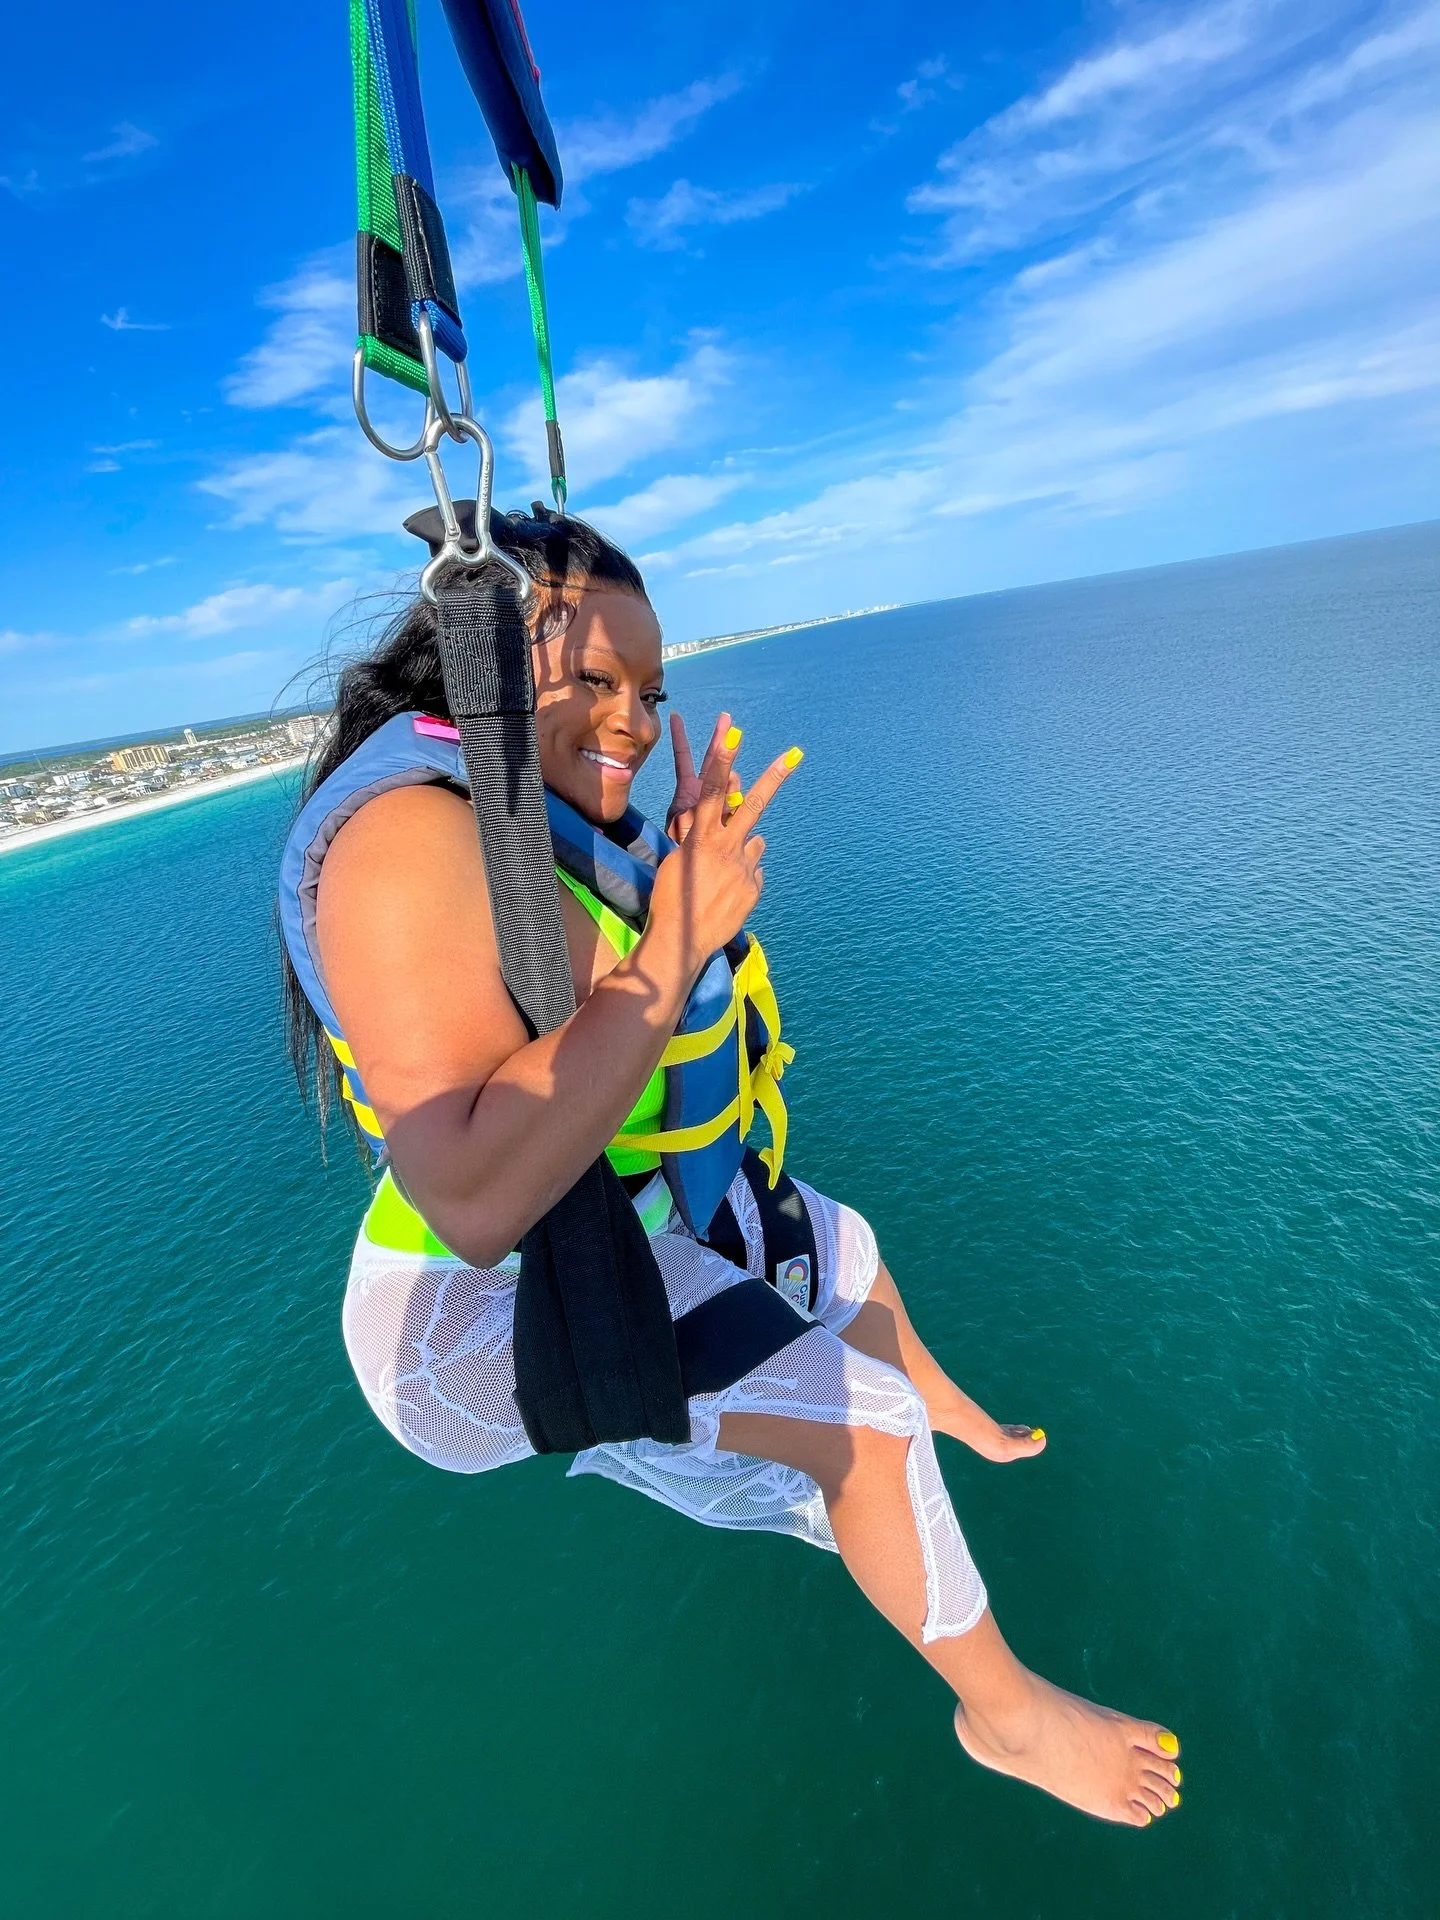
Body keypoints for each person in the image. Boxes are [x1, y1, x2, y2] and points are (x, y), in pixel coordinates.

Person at [279, 508, 1181, 1826]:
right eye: (591, 678)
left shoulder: (551, 847)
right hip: (467, 1321)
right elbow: (472, 1203)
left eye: (651, 689)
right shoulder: (404, 844)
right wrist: (676, 940)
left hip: (611, 1217)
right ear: (469, 669)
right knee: (862, 1432)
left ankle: (960, 1419)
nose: (636, 721)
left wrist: (673, 906)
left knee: (849, 1249)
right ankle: (1011, 1719)